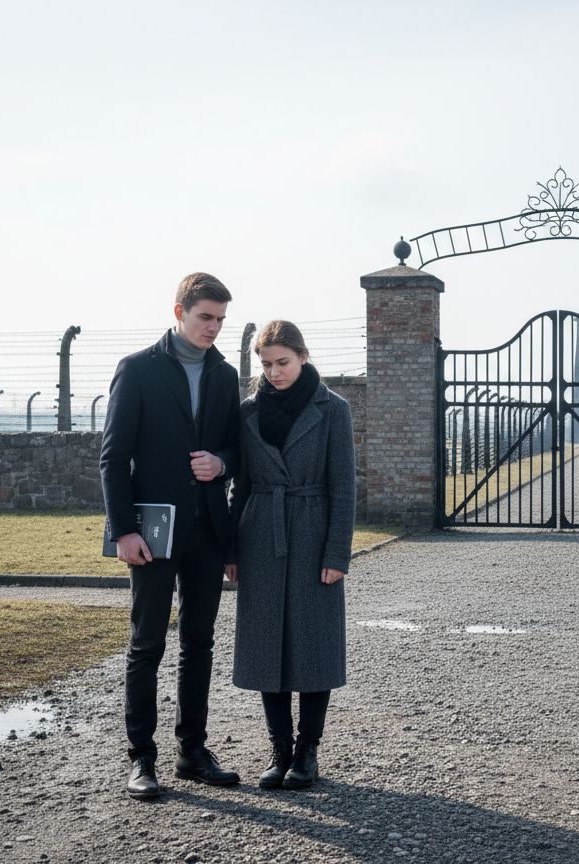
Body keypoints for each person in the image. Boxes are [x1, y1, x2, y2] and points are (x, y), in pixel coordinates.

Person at [100, 272, 243, 800]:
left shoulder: (226, 375)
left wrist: (221, 463)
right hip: (153, 534)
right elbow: (113, 458)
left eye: (221, 320)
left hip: (208, 530)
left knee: (199, 644)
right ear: (179, 311)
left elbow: (236, 448)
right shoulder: (137, 370)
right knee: (147, 644)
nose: (214, 328)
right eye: (206, 316)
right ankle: (141, 759)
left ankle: (192, 751)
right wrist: (123, 531)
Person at [225, 320, 356, 790]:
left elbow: (344, 487)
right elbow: (239, 485)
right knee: (266, 645)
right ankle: (278, 749)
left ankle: (308, 750)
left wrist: (337, 551)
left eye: (282, 362)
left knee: (313, 643)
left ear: (303, 356)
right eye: (266, 364)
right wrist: (232, 549)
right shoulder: (247, 412)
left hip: (313, 531)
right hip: (260, 533)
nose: (274, 372)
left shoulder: (332, 409)